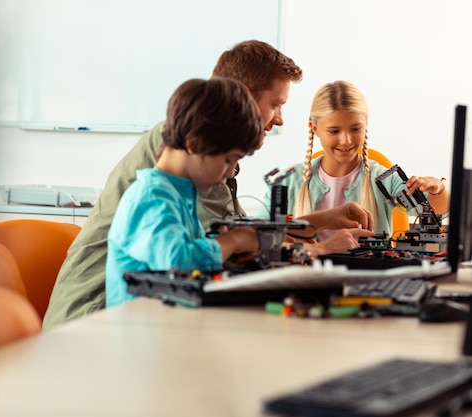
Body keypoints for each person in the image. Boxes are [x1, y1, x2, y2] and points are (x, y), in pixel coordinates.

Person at [42, 42, 369, 329]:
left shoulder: (201, 151)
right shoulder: (186, 154)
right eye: (275, 103)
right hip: (97, 319)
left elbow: (237, 235)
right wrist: (320, 250)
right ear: (238, 95)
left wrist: (317, 221)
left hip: (153, 315)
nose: (280, 118)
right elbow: (219, 250)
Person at [107, 77, 265, 307]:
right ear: (195, 144)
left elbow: (184, 248)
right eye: (229, 160)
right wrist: (234, 240)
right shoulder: (150, 196)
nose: (231, 172)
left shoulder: (179, 194)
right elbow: (177, 261)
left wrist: (222, 246)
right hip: (140, 331)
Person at [258, 80, 450, 239]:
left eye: (355, 129)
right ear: (314, 128)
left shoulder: (383, 179)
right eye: (334, 131)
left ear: (365, 126)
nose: (346, 140)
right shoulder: (287, 182)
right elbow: (259, 235)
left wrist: (437, 189)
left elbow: (436, 211)